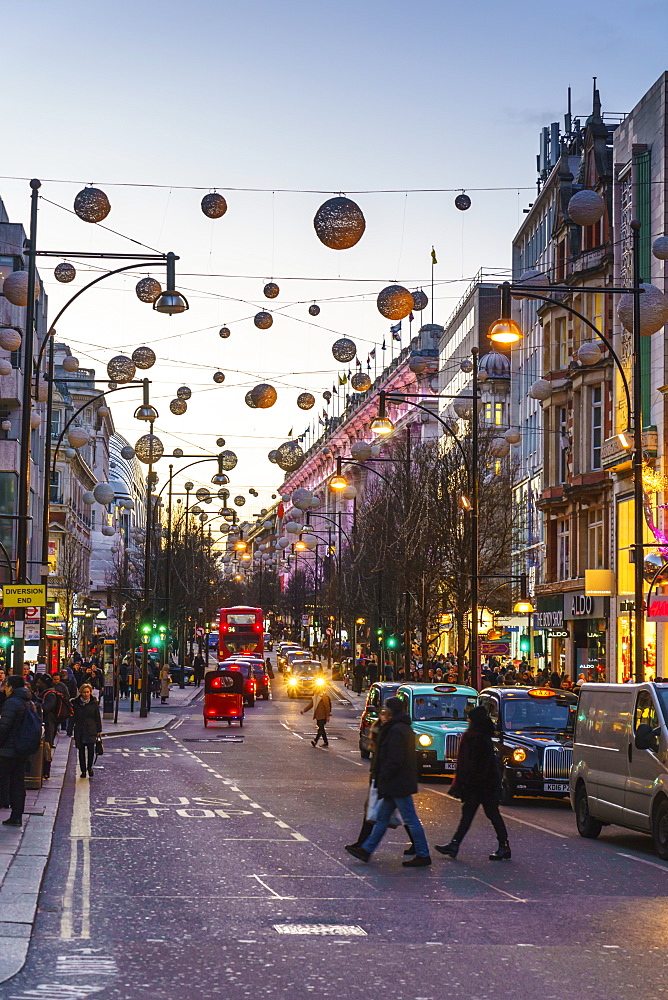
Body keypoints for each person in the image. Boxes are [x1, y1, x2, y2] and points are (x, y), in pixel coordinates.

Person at [346, 696, 431, 867]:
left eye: (386, 709)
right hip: (396, 782)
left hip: (397, 782)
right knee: (382, 818)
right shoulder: (399, 727)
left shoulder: (397, 730)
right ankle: (366, 849)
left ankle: (423, 854)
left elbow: (395, 759)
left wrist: (384, 776)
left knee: (410, 819)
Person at [435, 706, 510, 861]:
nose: (468, 720)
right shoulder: (482, 737)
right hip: (484, 785)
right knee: (478, 814)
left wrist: (467, 782)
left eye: (470, 718)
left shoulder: (475, 738)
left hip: (479, 785)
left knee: (482, 814)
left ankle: (502, 845)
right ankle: (501, 845)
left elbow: (473, 763)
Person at [0, 675, 34, 826]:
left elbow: (4, 728)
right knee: (17, 782)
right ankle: (16, 816)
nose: (4, 689)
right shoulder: (28, 701)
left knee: (9, 780)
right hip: (22, 748)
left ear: (11, 687)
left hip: (8, 750)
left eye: (5, 686)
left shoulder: (12, 703)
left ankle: (14, 814)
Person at [70, 683, 102, 778]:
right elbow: (72, 718)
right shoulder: (75, 702)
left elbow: (97, 717)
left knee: (91, 750)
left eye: (88, 692)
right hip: (79, 729)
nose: (86, 694)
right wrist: (69, 729)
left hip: (91, 729)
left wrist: (99, 730)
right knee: (81, 751)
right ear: (80, 692)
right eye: (84, 692)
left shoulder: (94, 702)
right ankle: (83, 770)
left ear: (90, 692)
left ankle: (89, 767)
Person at [300, 682, 332, 747]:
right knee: (321, 729)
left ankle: (315, 741)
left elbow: (327, 707)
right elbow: (311, 705)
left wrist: (328, 716)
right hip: (318, 716)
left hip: (323, 716)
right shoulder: (315, 697)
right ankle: (326, 742)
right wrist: (304, 710)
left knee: (320, 729)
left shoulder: (324, 697)